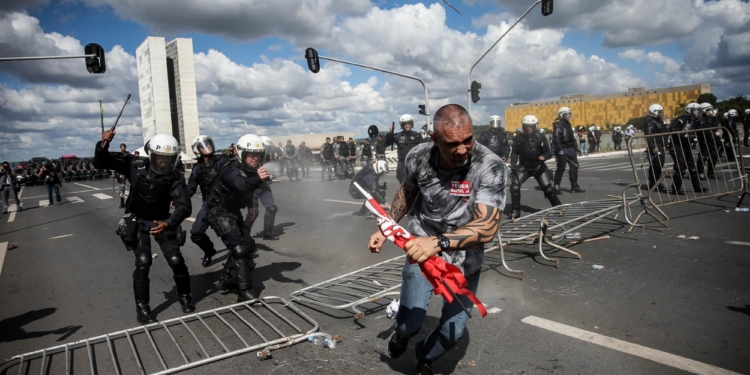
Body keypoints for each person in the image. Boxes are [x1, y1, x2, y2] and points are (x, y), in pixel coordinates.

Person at [368, 104, 505, 375]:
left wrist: (440, 242)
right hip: (422, 250)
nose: (463, 149)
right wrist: (387, 226)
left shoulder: (489, 166)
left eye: (468, 140)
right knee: (411, 322)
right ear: (435, 139)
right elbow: (407, 192)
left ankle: (425, 355)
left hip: (464, 259)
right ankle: (403, 333)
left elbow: (487, 227)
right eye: (453, 144)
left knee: (453, 331)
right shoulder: (419, 156)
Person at [96, 131, 194, 324]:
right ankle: (142, 308)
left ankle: (185, 296)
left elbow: (184, 205)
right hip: (139, 220)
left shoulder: (175, 176)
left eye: (169, 158)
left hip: (162, 221)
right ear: (151, 155)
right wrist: (104, 144)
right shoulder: (135, 165)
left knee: (175, 259)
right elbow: (101, 162)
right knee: (143, 261)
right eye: (160, 158)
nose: (164, 162)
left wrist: (169, 223)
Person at [205, 134, 271, 301]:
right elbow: (241, 185)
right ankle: (244, 291)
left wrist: (250, 207)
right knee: (239, 248)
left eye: (258, 154)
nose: (255, 158)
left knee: (248, 244)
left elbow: (246, 191)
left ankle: (228, 278)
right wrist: (258, 178)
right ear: (241, 154)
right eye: (251, 154)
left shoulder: (250, 170)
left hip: (233, 212)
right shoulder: (232, 169)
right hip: (219, 212)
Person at [508, 115, 561, 219]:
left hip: (538, 166)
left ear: (535, 126)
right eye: (527, 126)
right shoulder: (518, 138)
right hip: (524, 167)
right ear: (523, 126)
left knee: (548, 188)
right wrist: (514, 163)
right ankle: (516, 210)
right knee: (514, 186)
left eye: (531, 126)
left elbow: (548, 152)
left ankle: (558, 207)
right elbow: (514, 152)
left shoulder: (540, 137)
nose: (529, 128)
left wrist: (544, 157)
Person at [186, 135, 225, 268]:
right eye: (203, 145)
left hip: (226, 205)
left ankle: (245, 258)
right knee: (196, 233)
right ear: (197, 150)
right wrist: (177, 200)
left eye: (208, 143)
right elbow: (190, 188)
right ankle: (209, 251)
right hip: (208, 205)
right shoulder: (197, 168)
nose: (207, 146)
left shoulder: (222, 160)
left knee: (234, 236)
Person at [669, 103, 708, 195]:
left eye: (698, 110)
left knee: (692, 168)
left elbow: (701, 131)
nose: (697, 112)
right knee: (681, 168)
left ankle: (697, 187)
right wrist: (686, 136)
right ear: (689, 111)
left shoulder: (697, 121)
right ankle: (676, 188)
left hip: (687, 147)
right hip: (677, 147)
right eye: (695, 110)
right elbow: (672, 130)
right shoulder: (681, 120)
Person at [246, 137, 280, 240]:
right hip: (253, 188)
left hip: (264, 186)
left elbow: (273, 169)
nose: (266, 150)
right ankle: (244, 235)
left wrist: (272, 175)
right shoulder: (250, 158)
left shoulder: (268, 157)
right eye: (265, 147)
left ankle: (268, 233)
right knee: (253, 213)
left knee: (272, 208)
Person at [552, 107, 585, 194]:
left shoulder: (568, 124)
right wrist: (560, 150)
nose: (568, 116)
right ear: (561, 115)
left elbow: (572, 138)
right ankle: (556, 186)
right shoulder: (558, 125)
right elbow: (556, 138)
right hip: (563, 149)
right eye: (566, 114)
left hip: (571, 148)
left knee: (574, 167)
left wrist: (577, 148)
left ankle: (574, 186)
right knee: (561, 168)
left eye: (569, 114)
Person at [384, 114, 422, 183]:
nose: (407, 125)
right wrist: (390, 133)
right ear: (402, 125)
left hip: (414, 164)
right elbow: (386, 143)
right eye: (405, 124)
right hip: (402, 165)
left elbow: (423, 148)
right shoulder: (397, 136)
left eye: (409, 123)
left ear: (411, 124)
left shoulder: (417, 135)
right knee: (403, 186)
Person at [644, 104, 669, 193]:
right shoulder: (650, 122)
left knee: (659, 165)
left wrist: (666, 142)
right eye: (659, 112)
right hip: (655, 146)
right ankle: (653, 183)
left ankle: (657, 182)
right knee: (655, 166)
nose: (661, 114)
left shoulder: (659, 121)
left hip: (660, 145)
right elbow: (649, 136)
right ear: (654, 112)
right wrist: (653, 147)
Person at [696, 103, 720, 180]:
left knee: (714, 155)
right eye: (707, 110)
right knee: (703, 156)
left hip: (712, 139)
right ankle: (700, 172)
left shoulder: (711, 118)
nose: (709, 111)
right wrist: (712, 133)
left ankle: (711, 172)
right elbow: (701, 130)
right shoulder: (700, 119)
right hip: (703, 139)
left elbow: (715, 127)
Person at [115, 143, 132, 208]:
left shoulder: (128, 154)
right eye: (122, 147)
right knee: (122, 188)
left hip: (128, 172)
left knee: (132, 186)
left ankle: (131, 201)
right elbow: (116, 164)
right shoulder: (118, 155)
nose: (123, 148)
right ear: (120, 148)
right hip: (121, 173)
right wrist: (114, 173)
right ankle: (122, 203)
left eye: (124, 147)